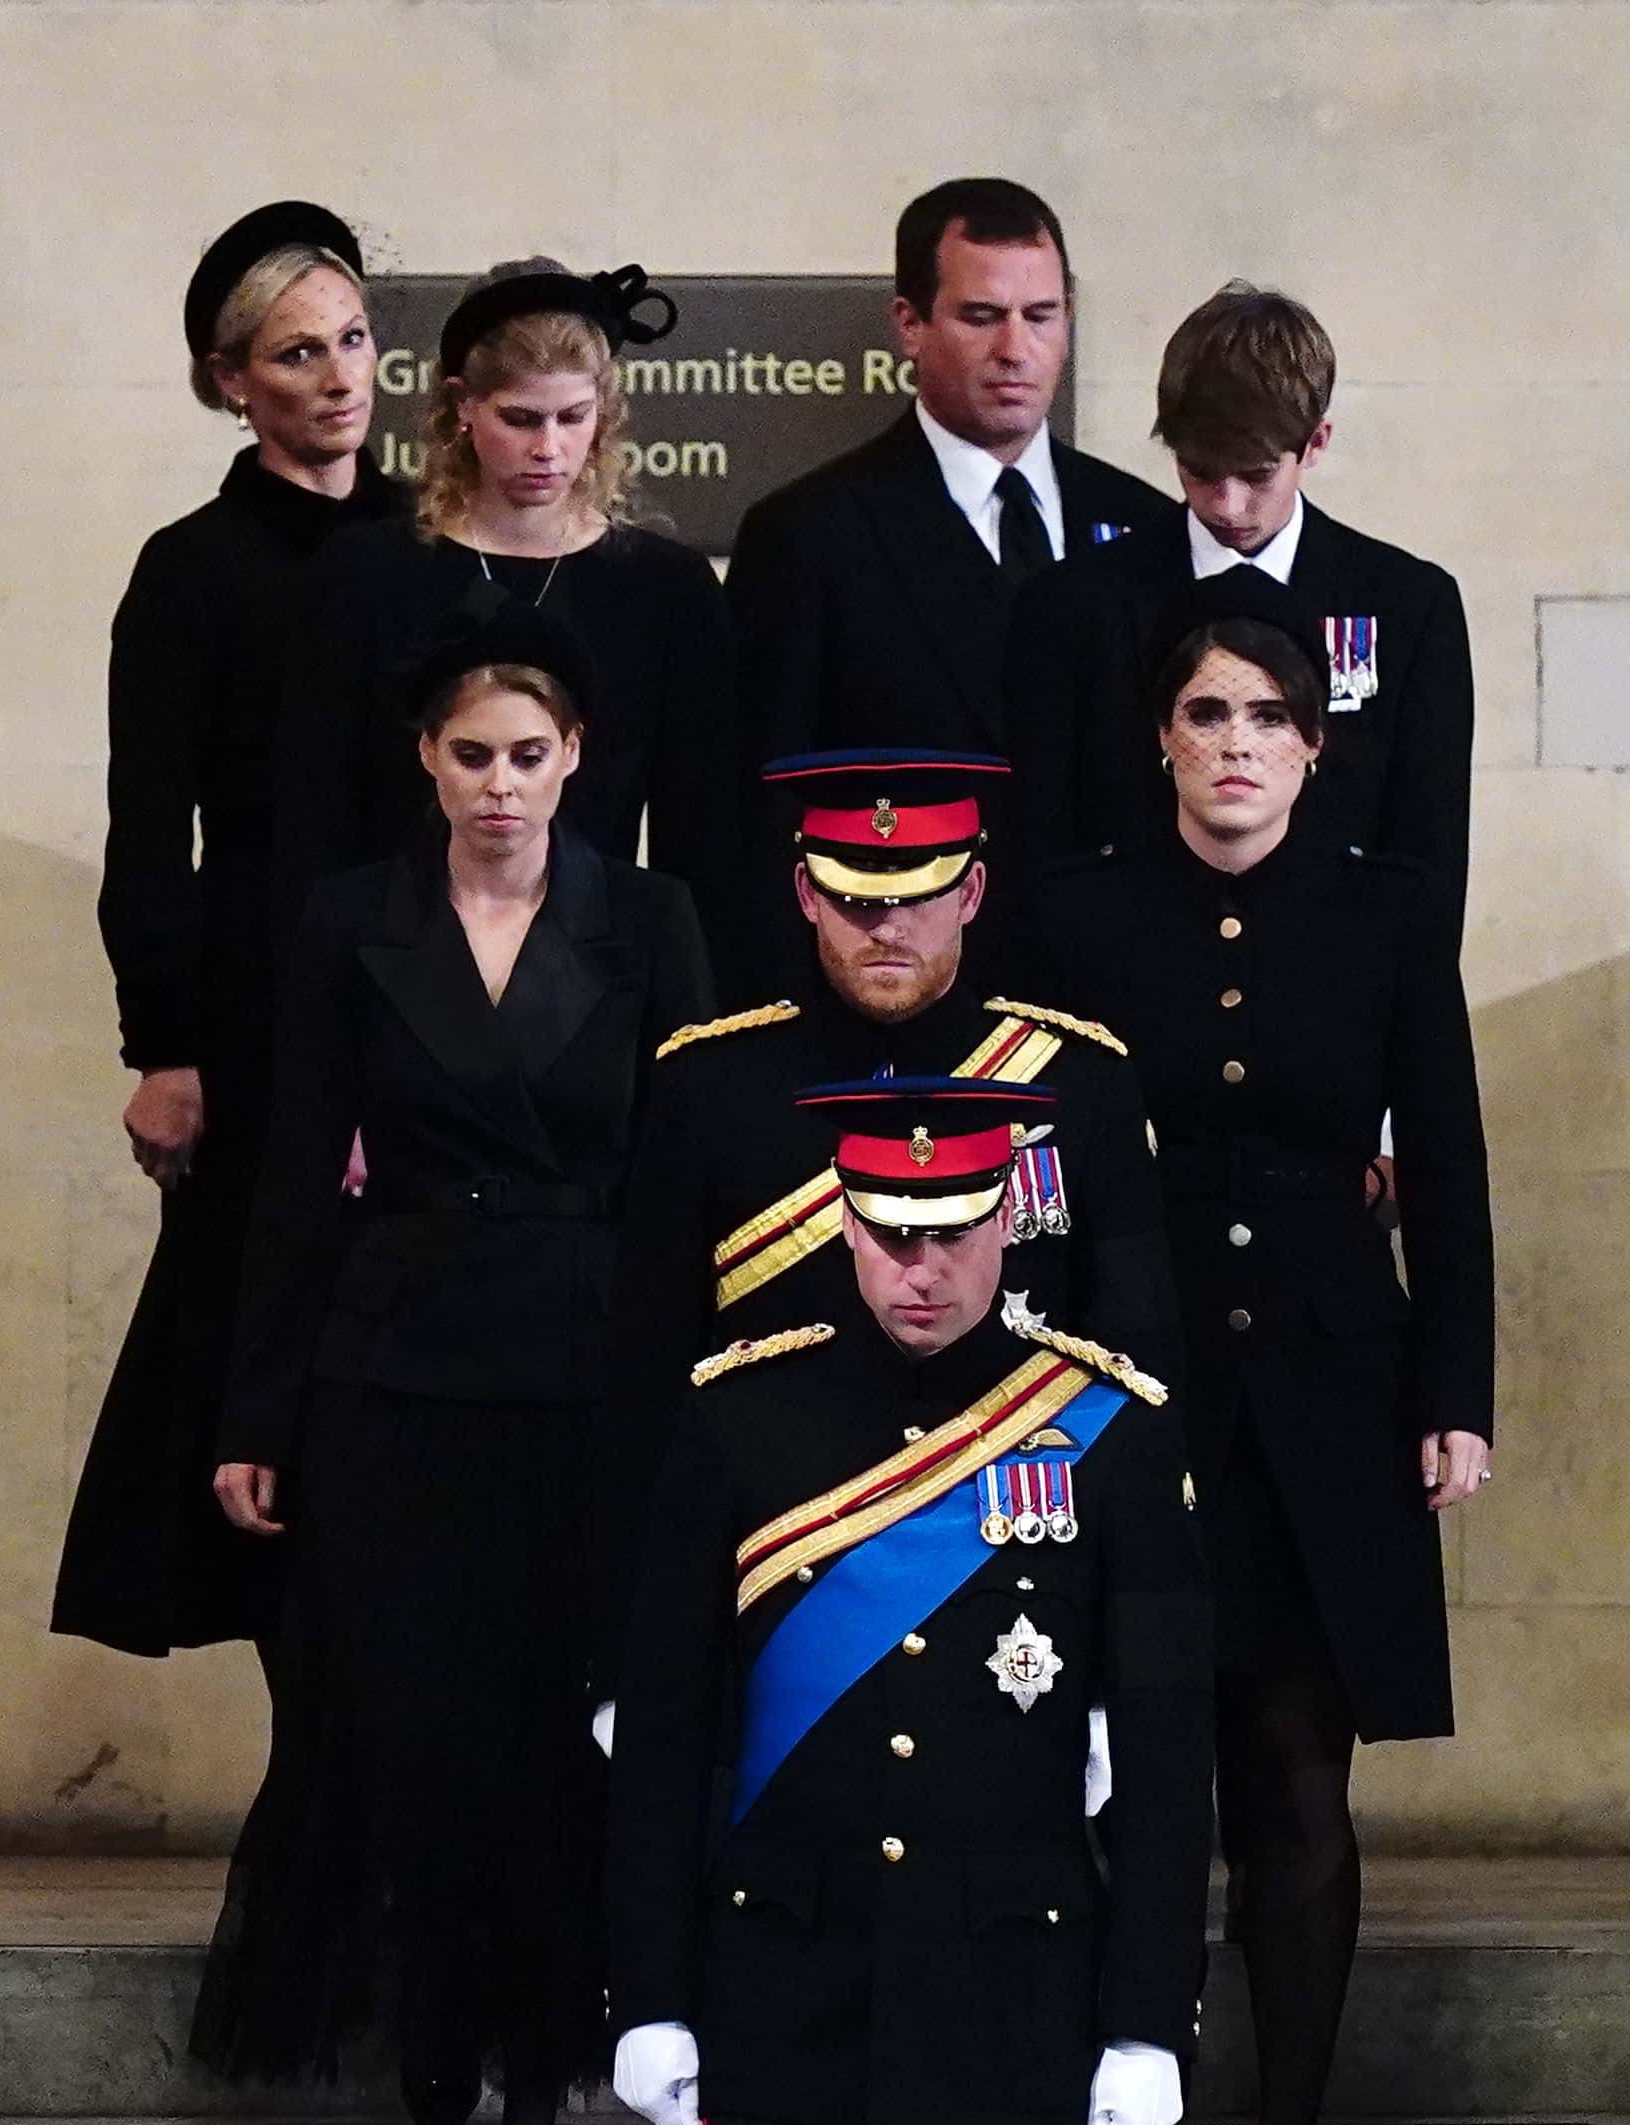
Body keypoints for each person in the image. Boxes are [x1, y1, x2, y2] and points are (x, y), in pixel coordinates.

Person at [188, 601, 712, 2125]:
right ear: (426, 760)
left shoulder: (654, 918)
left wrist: (720, 1391)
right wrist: (255, 1408)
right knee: (414, 1720)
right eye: (472, 753)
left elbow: (699, 1171)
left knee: (565, 1743)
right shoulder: (355, 920)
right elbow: (292, 1178)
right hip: (392, 1367)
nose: (500, 782)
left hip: (594, 1367)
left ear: (577, 763)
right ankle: (431, 2021)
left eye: (529, 755)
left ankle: (541, 2118)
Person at [1037, 571, 1495, 2125]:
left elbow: (1441, 1163)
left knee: (1300, 1777)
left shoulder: (1384, 913)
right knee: (1103, 1768)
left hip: (1327, 1386)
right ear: (1161, 738)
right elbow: (1031, 1164)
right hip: (1129, 1391)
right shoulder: (1074, 912)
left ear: (1316, 748)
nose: (1238, 746)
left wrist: (1456, 1393)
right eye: (1208, 713)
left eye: (1271, 719)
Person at [607, 1077, 1214, 2125]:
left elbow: (1166, 1754)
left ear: (1007, 1220)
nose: (917, 1268)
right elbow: (664, 1740)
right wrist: (649, 1996)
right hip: (778, 2000)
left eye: (948, 1233)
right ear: (844, 1223)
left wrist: (1148, 2017)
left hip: (1009, 2012)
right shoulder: (736, 1416)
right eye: (888, 1234)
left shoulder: (1110, 1429)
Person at [595, 747, 1177, 1661]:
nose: (887, 926)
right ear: (804, 892)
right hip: (779, 1577)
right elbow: (646, 1377)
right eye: (858, 899)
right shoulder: (709, 1085)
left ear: (974, 892)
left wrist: (1122, 1662)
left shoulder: (1080, 1081)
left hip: (1010, 1573)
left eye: (918, 896)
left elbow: (1133, 1363)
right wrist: (633, 1648)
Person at [53, 200, 404, 1661]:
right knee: (268, 1378)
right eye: (297, 352)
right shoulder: (192, 569)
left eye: (357, 342)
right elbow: (152, 835)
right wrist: (167, 1045)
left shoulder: (439, 545)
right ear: (231, 381)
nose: (339, 377)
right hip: (261, 1022)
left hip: (444, 999)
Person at [726, 178, 1172, 975]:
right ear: (909, 323)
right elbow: (756, 817)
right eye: (980, 316)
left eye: (1041, 316)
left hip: (1113, 988)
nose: (1015, 349)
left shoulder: (1143, 521)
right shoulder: (808, 533)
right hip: (903, 991)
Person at [269, 256, 736, 952]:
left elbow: (701, 840)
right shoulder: (367, 573)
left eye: (572, 417)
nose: (548, 448)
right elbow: (314, 815)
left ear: (603, 413)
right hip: (397, 970)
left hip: (601, 974)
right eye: (520, 419)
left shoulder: (667, 589)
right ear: (462, 406)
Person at [1006, 281, 1475, 942]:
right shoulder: (1073, 606)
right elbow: (1043, 854)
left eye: (1255, 476)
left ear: (1315, 444)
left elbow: (1427, 861)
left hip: (1331, 990)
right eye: (1199, 471)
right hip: (1125, 987)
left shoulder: (1406, 605)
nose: (1226, 506)